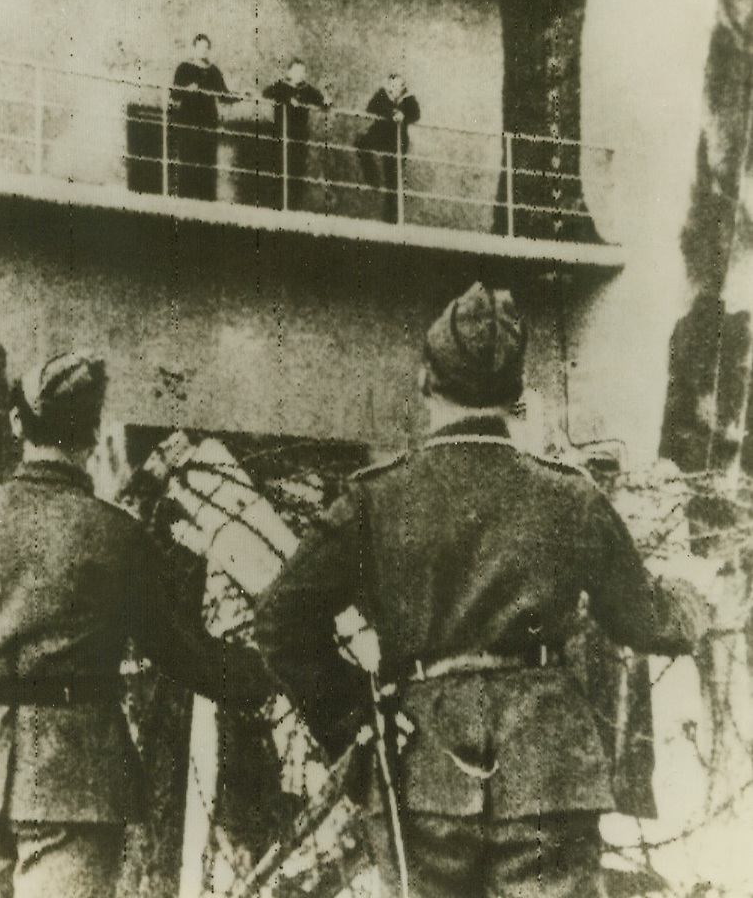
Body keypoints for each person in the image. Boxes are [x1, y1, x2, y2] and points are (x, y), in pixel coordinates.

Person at [254, 283, 710, 898]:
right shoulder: (569, 496)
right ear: (516, 394)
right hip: (548, 775)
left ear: (424, 381)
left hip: (422, 773)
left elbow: (280, 623)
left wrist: (359, 722)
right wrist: (696, 597)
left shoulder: (374, 500)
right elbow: (650, 620)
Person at [0, 353, 271, 898]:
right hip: (78, 785)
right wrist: (265, 672)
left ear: (16, 424)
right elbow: (177, 652)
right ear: (93, 432)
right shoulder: (117, 538)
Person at [169, 34, 233, 201]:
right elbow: (174, 94)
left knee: (207, 164)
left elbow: (224, 95)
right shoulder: (184, 68)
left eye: (206, 48)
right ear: (194, 48)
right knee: (188, 162)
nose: (203, 51)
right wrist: (186, 89)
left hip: (208, 124)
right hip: (189, 123)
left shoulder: (214, 71)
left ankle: (207, 206)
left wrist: (243, 95)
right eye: (200, 47)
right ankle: (185, 203)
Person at [261, 59, 331, 210]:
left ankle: (293, 207)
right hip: (280, 135)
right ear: (289, 72)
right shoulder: (281, 86)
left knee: (297, 172)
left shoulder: (307, 90)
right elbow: (265, 94)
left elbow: (322, 102)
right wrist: (287, 100)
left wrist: (327, 101)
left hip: (299, 138)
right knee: (279, 171)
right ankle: (277, 206)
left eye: (303, 72)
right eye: (297, 71)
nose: (300, 75)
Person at [356, 74, 420, 222]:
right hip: (380, 134)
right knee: (361, 143)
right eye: (392, 86)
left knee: (393, 179)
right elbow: (371, 107)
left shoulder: (408, 99)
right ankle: (372, 176)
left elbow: (416, 114)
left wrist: (403, 115)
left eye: (398, 86)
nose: (394, 89)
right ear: (388, 85)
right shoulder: (382, 95)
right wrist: (391, 112)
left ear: (403, 87)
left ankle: (390, 219)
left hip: (397, 142)